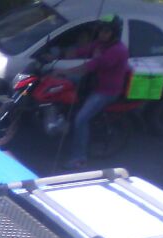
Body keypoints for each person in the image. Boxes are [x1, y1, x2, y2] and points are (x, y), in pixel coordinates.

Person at [62, 16, 129, 170]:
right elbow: (82, 51)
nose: (101, 34)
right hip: (94, 83)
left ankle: (79, 158)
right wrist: (58, 54)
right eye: (100, 30)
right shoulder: (101, 44)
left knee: (80, 119)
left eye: (106, 31)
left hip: (106, 92)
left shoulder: (117, 50)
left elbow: (90, 66)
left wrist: (64, 71)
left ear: (114, 33)